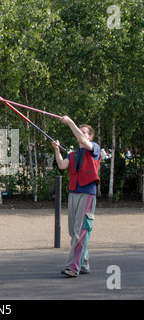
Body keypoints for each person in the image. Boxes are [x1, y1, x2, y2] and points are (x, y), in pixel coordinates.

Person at [52, 116, 101, 278]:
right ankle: (84, 264)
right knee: (74, 231)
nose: (81, 134)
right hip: (74, 193)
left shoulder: (94, 148)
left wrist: (70, 122)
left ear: (90, 136)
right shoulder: (73, 155)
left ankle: (73, 267)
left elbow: (82, 140)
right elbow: (62, 165)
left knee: (81, 231)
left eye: (84, 132)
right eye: (80, 132)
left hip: (87, 194)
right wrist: (57, 150)